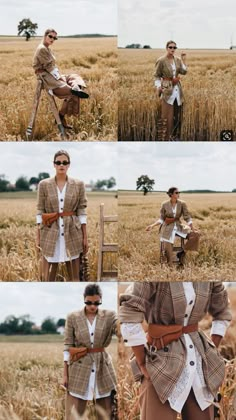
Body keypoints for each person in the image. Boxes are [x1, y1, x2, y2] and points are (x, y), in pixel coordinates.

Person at [119, 281, 232, 420]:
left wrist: (211, 348)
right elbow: (129, 312)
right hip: (159, 362)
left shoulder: (207, 273)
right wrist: (142, 362)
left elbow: (223, 310)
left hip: (199, 365)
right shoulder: (155, 271)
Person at [63, 283, 117, 420]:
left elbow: (119, 327)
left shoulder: (110, 316)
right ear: (84, 299)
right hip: (79, 369)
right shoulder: (72, 317)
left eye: (96, 303)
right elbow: (67, 345)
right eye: (88, 302)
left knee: (106, 413)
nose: (92, 306)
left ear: (100, 300)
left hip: (102, 368)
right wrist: (65, 375)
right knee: (75, 414)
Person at [36, 149, 88, 281]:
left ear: (69, 165)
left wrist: (85, 237)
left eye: (65, 162)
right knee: (48, 278)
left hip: (72, 232)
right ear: (53, 164)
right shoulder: (44, 185)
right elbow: (39, 210)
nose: (61, 165)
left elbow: (81, 211)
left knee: (75, 277)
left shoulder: (79, 184)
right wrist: (37, 237)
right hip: (49, 232)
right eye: (58, 162)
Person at [33, 28, 89, 129]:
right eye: (50, 36)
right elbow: (49, 67)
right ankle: (61, 116)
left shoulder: (47, 48)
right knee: (70, 91)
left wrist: (61, 77)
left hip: (52, 74)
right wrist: (60, 79)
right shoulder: (42, 48)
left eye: (55, 38)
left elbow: (53, 67)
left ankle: (76, 87)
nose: (52, 39)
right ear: (45, 35)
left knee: (74, 77)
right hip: (46, 77)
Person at [146, 187, 200, 266]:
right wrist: (152, 225)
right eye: (177, 193)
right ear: (171, 194)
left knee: (196, 235)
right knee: (168, 248)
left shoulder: (182, 203)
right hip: (167, 227)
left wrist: (192, 228)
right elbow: (161, 219)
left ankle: (181, 253)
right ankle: (170, 266)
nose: (178, 194)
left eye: (179, 192)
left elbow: (187, 217)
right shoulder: (164, 204)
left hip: (178, 226)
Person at [154, 40, 187, 140]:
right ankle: (165, 138)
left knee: (177, 116)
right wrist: (159, 86)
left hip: (178, 91)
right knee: (166, 116)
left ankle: (175, 137)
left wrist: (183, 60)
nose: (173, 49)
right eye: (170, 47)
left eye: (174, 47)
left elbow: (184, 72)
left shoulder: (177, 60)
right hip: (167, 90)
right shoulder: (161, 60)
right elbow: (156, 76)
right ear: (167, 48)